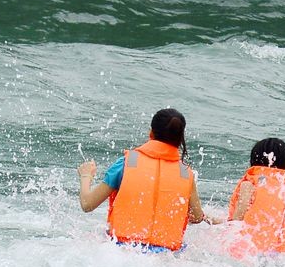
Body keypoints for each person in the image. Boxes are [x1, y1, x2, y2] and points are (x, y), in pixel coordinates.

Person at [77, 108, 211, 252]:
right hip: (167, 257)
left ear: (151, 133)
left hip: (122, 250)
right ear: (180, 138)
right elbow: (196, 217)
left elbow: (87, 204)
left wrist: (86, 176)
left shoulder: (128, 163)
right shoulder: (185, 173)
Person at [227, 137, 285, 257]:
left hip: (253, 257)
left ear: (253, 161)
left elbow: (237, 221)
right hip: (283, 261)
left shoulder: (249, 185)